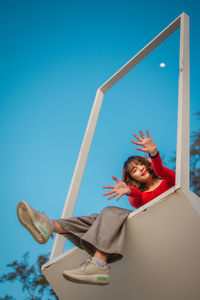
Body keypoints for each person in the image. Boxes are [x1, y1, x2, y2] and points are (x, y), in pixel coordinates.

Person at [17, 130, 175, 286]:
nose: (139, 169)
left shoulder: (168, 180)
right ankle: (51, 225)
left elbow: (161, 170)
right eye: (134, 170)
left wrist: (154, 153)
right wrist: (129, 191)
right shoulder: (137, 198)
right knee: (99, 219)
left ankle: (98, 264)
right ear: (132, 178)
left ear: (147, 164)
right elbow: (138, 197)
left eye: (141, 164)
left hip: (162, 224)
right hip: (143, 230)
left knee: (111, 212)